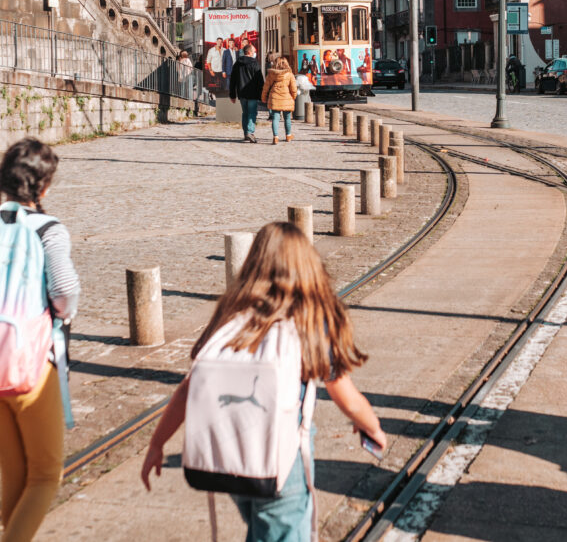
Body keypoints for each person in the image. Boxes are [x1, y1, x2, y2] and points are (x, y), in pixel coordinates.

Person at [141, 222, 386, 541]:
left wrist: (157, 443)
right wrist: (372, 427)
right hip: (283, 464)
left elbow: (190, 387)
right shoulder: (307, 322)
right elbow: (347, 397)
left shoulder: (232, 315)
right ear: (307, 267)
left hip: (233, 462)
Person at [0, 138, 80, 542]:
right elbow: (64, 293)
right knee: (46, 475)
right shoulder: (48, 229)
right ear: (43, 187)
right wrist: (63, 311)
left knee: (15, 475)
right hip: (30, 366)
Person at [229, 43, 264, 143]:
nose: (254, 53)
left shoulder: (237, 64)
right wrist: (262, 93)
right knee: (252, 113)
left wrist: (232, 95)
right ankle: (250, 132)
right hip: (252, 93)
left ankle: (246, 133)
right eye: (253, 52)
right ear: (249, 52)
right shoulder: (254, 63)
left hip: (242, 93)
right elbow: (259, 80)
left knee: (245, 113)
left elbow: (233, 80)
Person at [261, 57, 297, 144]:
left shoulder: (271, 74)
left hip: (275, 98)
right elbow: (293, 88)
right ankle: (288, 135)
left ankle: (275, 137)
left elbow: (266, 87)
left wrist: (263, 97)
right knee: (287, 118)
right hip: (286, 98)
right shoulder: (290, 74)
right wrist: (293, 97)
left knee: (275, 118)